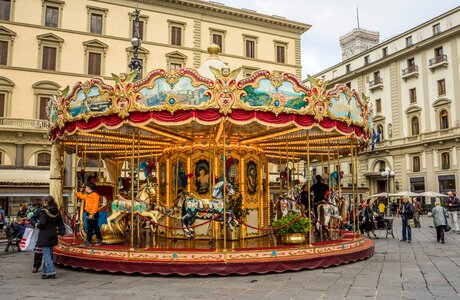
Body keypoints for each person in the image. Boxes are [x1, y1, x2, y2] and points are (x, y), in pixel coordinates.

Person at [37, 195, 64, 279]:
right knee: (49, 254)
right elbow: (60, 224)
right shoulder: (57, 212)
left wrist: (37, 225)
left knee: (46, 254)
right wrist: (60, 232)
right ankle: (45, 272)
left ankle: (51, 271)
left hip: (45, 234)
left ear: (46, 202)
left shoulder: (43, 211)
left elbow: (42, 223)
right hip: (53, 233)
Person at [76, 182, 102, 247]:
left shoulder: (95, 195)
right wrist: (77, 193)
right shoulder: (87, 195)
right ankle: (89, 241)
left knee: (95, 227)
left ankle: (99, 239)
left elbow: (95, 205)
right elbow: (81, 196)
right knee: (89, 227)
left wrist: (91, 214)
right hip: (89, 213)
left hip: (93, 213)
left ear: (89, 188)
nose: (85, 188)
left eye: (86, 187)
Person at [29, 199, 44, 273]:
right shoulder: (39, 210)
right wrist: (35, 224)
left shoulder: (53, 210)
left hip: (49, 232)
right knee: (38, 250)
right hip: (41, 231)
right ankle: (36, 266)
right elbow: (32, 218)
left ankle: (48, 266)